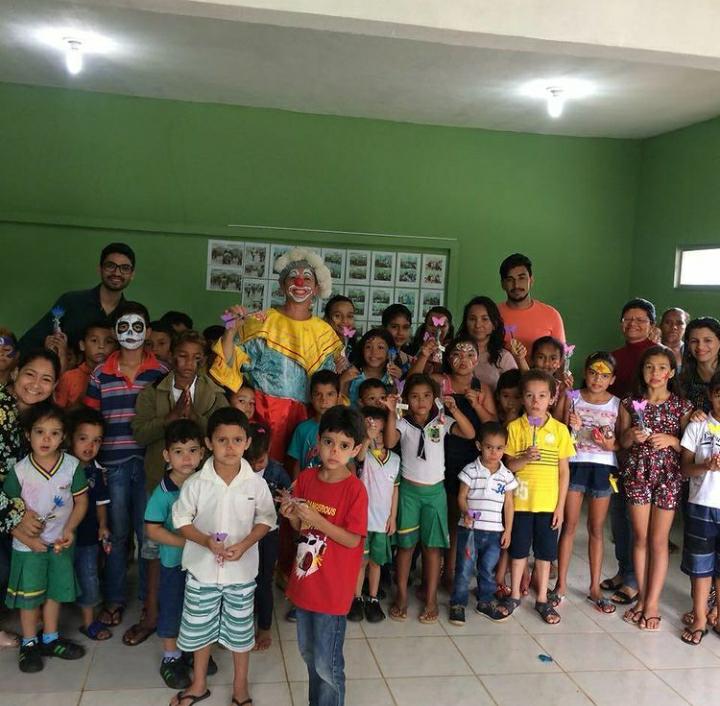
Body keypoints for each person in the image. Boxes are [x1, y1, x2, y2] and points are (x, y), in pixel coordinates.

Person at [171, 407, 276, 706]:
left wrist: (245, 544)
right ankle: (198, 684)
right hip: (202, 571)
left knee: (241, 633)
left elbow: (266, 519)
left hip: (241, 574)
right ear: (208, 443)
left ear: (247, 443)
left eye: (237, 440)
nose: (230, 447)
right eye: (222, 440)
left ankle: (240, 688)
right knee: (200, 630)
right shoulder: (195, 483)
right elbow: (182, 521)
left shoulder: (256, 484)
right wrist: (205, 541)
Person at [131, 329, 227, 646]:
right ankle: (151, 615)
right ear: (172, 356)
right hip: (160, 482)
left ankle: (194, 623)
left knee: (197, 553)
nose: (188, 364)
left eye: (196, 358)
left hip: (201, 488)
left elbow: (221, 435)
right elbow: (139, 433)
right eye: (183, 356)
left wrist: (195, 418)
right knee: (154, 553)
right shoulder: (153, 392)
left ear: (204, 360)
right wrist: (169, 419)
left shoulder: (213, 393)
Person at [211, 246, 342, 462]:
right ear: (282, 285)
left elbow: (331, 389)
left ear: (317, 288)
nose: (299, 282)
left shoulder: (325, 333)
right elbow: (227, 367)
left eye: (307, 278)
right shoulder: (261, 321)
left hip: (307, 420)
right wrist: (230, 329)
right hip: (264, 415)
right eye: (293, 277)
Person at [84, 302, 169, 634]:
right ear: (114, 331)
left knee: (148, 534)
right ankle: (115, 599)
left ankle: (150, 601)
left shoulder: (161, 372)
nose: (131, 333)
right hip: (112, 465)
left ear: (148, 332)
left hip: (149, 465)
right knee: (117, 535)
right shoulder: (100, 373)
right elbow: (92, 418)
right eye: (123, 326)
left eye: (138, 326)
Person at [281, 405, 368, 706]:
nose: (334, 451)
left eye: (344, 445)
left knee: (326, 664)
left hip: (333, 590)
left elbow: (352, 539)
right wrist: (292, 515)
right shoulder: (306, 478)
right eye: (329, 442)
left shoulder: (355, 490)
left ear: (356, 449)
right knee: (308, 654)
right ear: (318, 442)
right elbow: (300, 528)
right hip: (306, 583)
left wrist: (318, 520)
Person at [383, 374, 475, 623]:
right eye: (414, 396)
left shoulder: (441, 421)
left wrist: (455, 409)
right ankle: (401, 596)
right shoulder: (403, 423)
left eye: (426, 396)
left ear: (434, 398)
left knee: (432, 548)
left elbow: (469, 433)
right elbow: (389, 441)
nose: (421, 401)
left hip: (435, 494)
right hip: (408, 494)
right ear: (406, 399)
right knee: (405, 547)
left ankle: (431, 598)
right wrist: (391, 412)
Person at [5, 402, 88, 672]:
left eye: (54, 433)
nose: (46, 439)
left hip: (60, 544)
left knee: (54, 592)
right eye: (40, 432)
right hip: (27, 547)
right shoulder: (20, 471)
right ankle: (29, 643)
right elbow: (8, 510)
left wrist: (69, 529)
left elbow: (81, 501)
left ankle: (50, 638)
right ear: (27, 434)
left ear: (63, 437)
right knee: (29, 597)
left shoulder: (71, 466)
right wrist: (28, 540)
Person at [618, 345, 692, 631]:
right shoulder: (629, 403)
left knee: (659, 542)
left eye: (662, 367)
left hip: (669, 477)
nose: (655, 373)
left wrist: (673, 441)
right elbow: (622, 443)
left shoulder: (682, 407)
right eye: (649, 367)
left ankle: (652, 603)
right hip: (637, 475)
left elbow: (689, 446)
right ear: (642, 371)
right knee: (640, 538)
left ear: (671, 373)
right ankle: (641, 597)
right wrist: (631, 435)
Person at [502, 370, 574, 625]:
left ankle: (542, 598)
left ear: (552, 398)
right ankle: (514, 595)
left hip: (548, 504)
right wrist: (524, 458)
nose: (536, 401)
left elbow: (564, 472)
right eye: (530, 395)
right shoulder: (514, 428)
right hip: (521, 503)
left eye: (542, 396)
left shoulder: (560, 430)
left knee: (544, 554)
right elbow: (509, 466)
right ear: (522, 398)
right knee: (519, 551)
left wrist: (560, 507)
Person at [555, 352, 620, 613]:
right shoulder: (573, 396)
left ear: (612, 379)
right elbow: (559, 426)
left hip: (603, 467)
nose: (597, 379)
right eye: (593, 373)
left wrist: (609, 443)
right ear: (585, 372)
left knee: (596, 528)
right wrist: (567, 411)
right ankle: (560, 584)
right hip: (575, 463)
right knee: (569, 526)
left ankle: (594, 587)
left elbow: (620, 442)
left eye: (604, 375)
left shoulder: (617, 404)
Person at [603, 298, 658, 606]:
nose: (633, 324)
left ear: (651, 324)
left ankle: (636, 580)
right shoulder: (615, 357)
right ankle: (624, 571)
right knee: (618, 513)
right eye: (628, 319)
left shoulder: (657, 356)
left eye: (640, 319)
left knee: (638, 521)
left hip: (647, 453)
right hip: (617, 446)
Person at [144, 419, 205, 690]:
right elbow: (153, 529)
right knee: (172, 607)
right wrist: (186, 543)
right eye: (179, 452)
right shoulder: (163, 493)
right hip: (174, 564)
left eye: (192, 450)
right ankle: (171, 657)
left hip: (201, 565)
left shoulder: (205, 484)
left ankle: (193, 652)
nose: (186, 458)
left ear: (202, 453)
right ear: (167, 455)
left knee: (197, 608)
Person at [449, 421, 517, 625]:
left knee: (488, 569)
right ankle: (458, 604)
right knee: (464, 568)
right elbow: (461, 497)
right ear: (479, 446)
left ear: (505, 448)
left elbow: (509, 505)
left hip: (494, 532)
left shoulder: (506, 475)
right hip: (470, 530)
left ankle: (485, 602)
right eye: (489, 447)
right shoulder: (470, 470)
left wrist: (508, 531)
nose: (494, 452)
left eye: (499, 448)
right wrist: (465, 511)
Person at [19, 242, 135, 353]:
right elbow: (30, 341)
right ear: (99, 269)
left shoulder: (131, 315)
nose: (117, 273)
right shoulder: (69, 301)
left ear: (132, 274)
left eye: (125, 268)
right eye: (110, 266)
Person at [679, 371, 720, 645]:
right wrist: (705, 466)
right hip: (701, 504)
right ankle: (700, 616)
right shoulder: (698, 426)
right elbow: (684, 469)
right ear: (710, 395)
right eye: (719, 394)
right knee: (700, 565)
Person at [349, 406, 400, 623]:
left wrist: (393, 517)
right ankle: (356, 598)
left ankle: (372, 598)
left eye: (380, 432)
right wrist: (367, 439)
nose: (377, 436)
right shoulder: (363, 455)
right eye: (372, 431)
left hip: (381, 522)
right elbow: (359, 456)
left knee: (376, 563)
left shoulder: (395, 460)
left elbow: (395, 490)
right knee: (360, 562)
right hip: (361, 521)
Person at [67, 407, 113, 641]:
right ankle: (46, 624)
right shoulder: (60, 467)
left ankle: (88, 622)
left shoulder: (97, 471)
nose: (90, 446)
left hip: (87, 537)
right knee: (53, 579)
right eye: (83, 438)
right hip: (58, 537)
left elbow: (101, 503)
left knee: (88, 577)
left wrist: (103, 525)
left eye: (97, 440)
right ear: (70, 439)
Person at [245, 422, 291, 650]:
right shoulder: (238, 470)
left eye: (260, 461)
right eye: (250, 461)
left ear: (269, 450)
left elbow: (289, 493)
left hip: (269, 534)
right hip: (243, 533)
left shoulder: (277, 472)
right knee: (243, 579)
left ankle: (264, 626)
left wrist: (286, 500)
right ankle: (240, 624)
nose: (255, 466)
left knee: (264, 579)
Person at [497, 253, 566, 353]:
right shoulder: (492, 315)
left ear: (531, 280)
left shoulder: (552, 315)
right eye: (510, 280)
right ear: (503, 284)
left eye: (521, 278)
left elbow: (561, 358)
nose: (516, 285)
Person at [457, 296, 517, 391]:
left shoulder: (504, 357)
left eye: (484, 319)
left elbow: (515, 391)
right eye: (472, 319)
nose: (478, 325)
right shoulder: (454, 352)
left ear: (494, 324)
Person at [288, 370, 341, 476]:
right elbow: (296, 465)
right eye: (318, 394)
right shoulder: (302, 429)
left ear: (338, 397)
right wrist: (297, 485)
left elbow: (350, 465)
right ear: (311, 397)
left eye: (330, 394)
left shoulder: (344, 428)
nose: (324, 400)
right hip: (307, 485)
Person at [55, 321, 116, 408]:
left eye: (108, 342)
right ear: (82, 345)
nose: (101, 346)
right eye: (94, 340)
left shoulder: (118, 376)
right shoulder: (68, 377)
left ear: (116, 347)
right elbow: (58, 410)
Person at [341, 328, 399, 405]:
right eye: (368, 347)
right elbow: (341, 405)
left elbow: (396, 405)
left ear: (390, 353)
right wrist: (342, 381)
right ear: (362, 350)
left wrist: (397, 382)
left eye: (380, 347)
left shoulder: (392, 377)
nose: (374, 352)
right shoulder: (351, 375)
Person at [680, 317, 720, 414]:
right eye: (694, 341)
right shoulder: (681, 379)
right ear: (688, 345)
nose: (700, 347)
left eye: (707, 340)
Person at [409, 306, 454, 375]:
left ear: (449, 329)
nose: (437, 329)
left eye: (442, 326)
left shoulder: (454, 351)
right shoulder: (412, 349)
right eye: (431, 325)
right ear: (425, 326)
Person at [382, 304, 414, 377]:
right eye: (394, 327)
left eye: (405, 327)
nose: (400, 333)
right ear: (384, 328)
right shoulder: (375, 356)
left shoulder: (410, 360)